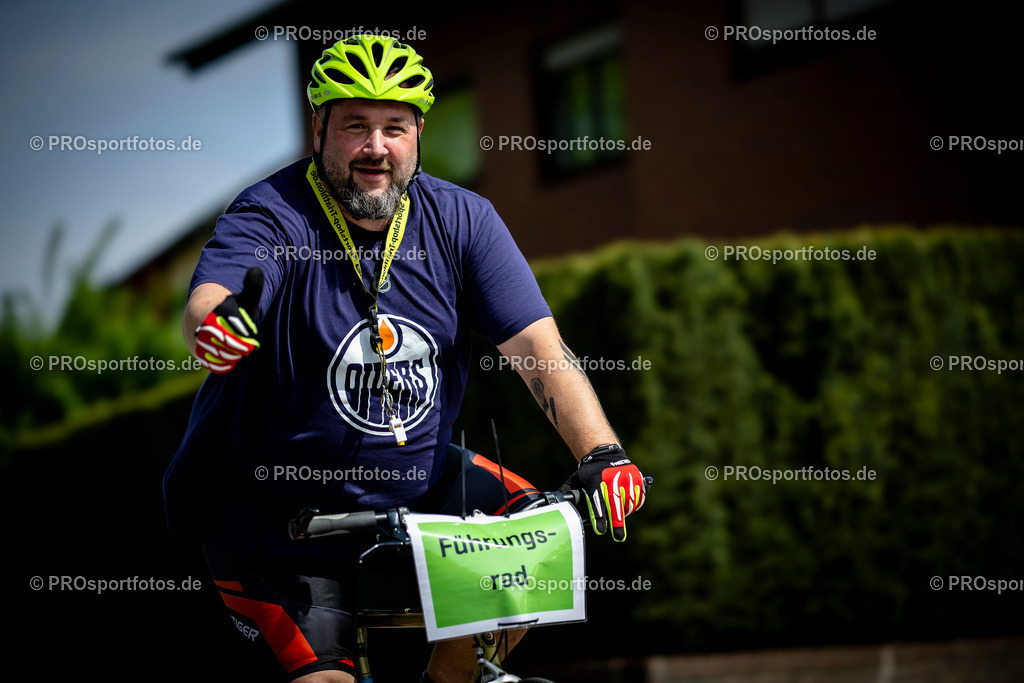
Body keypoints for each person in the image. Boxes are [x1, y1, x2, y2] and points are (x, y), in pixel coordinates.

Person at [163, 34, 647, 683]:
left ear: (419, 131)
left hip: (414, 481)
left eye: (394, 126)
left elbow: (537, 346)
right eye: (355, 125)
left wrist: (601, 453)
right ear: (319, 128)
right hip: (267, 515)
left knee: (536, 540)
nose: (375, 147)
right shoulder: (273, 212)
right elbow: (215, 296)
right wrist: (216, 327)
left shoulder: (463, 219)